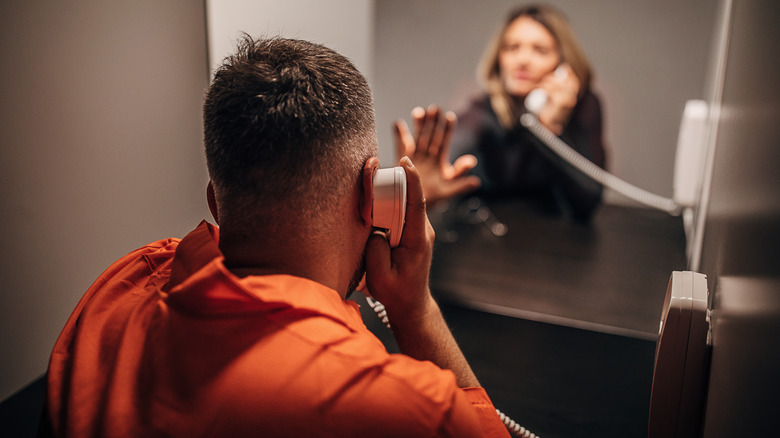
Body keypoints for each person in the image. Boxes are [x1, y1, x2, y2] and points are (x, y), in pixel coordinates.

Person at [41, 36, 510, 437]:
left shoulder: (120, 284)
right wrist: (415, 309)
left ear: (214, 201)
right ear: (376, 195)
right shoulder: (400, 405)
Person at [400, 4, 607, 223]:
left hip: (553, 241)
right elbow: (459, 142)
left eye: (540, 50)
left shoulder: (585, 105)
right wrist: (421, 184)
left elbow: (587, 203)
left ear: (563, 64)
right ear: (499, 57)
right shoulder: (484, 110)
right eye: (511, 47)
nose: (523, 60)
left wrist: (550, 128)